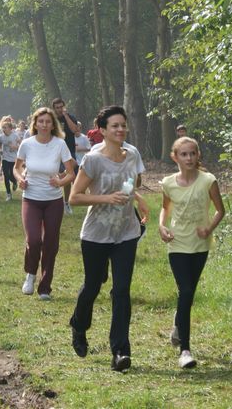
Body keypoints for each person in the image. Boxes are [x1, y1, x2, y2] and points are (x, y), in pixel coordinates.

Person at [68, 105, 149, 372]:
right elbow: (75, 197)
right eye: (115, 126)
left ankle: (120, 351)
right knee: (93, 285)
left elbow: (133, 183)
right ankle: (79, 325)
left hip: (126, 231)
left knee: (122, 291)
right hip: (96, 234)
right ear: (102, 130)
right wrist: (106, 198)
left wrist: (138, 198)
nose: (120, 129)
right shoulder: (93, 159)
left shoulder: (133, 154)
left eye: (123, 125)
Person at [159, 136, 225, 369]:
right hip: (177, 242)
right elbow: (165, 208)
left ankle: (178, 323)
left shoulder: (208, 180)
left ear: (198, 155)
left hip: (199, 244)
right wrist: (161, 226)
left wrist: (209, 228)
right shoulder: (168, 183)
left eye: (192, 153)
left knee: (188, 293)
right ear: (175, 157)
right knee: (185, 290)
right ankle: (185, 350)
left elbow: (220, 210)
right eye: (184, 154)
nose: (189, 158)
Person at [13, 107, 75, 300]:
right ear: (35, 124)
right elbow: (16, 168)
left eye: (48, 121)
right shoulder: (27, 144)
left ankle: (45, 287)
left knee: (50, 243)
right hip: (31, 198)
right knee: (33, 240)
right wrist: (20, 180)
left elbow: (71, 173)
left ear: (53, 124)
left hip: (53, 201)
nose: (44, 125)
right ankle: (30, 274)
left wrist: (60, 182)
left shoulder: (60, 144)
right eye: (41, 121)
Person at [51, 98, 80, 214]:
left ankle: (66, 203)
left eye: (61, 107)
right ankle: (52, 201)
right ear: (53, 108)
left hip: (69, 151)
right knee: (51, 174)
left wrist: (66, 116)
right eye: (57, 108)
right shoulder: (51, 119)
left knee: (69, 175)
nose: (59, 109)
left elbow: (74, 130)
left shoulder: (70, 117)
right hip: (53, 151)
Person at [0, 120, 20, 201]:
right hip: (5, 158)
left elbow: (21, 145)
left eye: (5, 127)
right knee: (6, 176)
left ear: (10, 128)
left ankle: (14, 182)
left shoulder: (15, 136)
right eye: (3, 127)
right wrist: (0, 150)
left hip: (13, 159)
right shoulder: (1, 137)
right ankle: (9, 194)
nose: (3, 129)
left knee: (11, 175)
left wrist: (15, 147)